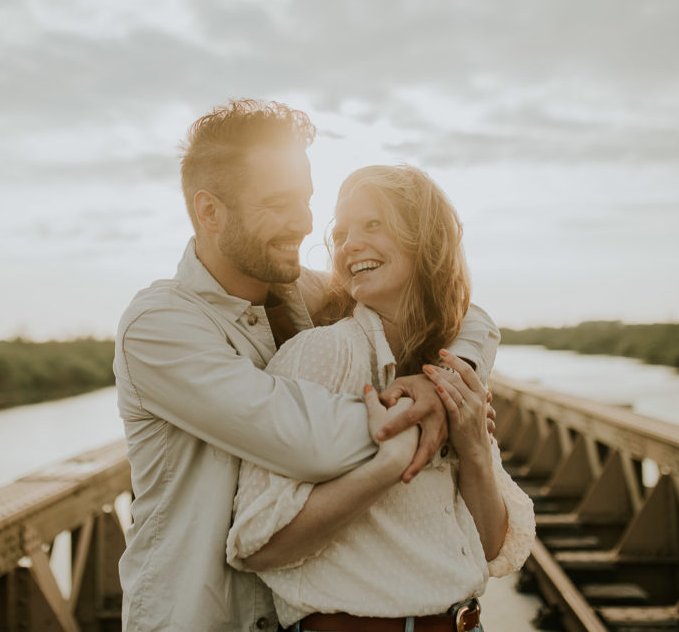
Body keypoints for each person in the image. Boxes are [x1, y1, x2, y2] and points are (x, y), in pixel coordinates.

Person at [114, 100, 500, 631]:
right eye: (278, 203)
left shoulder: (303, 293)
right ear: (209, 211)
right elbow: (304, 441)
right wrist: (426, 418)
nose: (303, 223)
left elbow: (461, 311)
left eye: (305, 200)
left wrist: (445, 384)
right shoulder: (160, 327)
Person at [226, 165, 536, 632]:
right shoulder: (320, 356)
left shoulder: (449, 369)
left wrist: (473, 449)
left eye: (373, 224)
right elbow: (258, 543)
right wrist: (386, 467)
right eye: (342, 232)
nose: (349, 244)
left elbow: (489, 547)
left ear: (426, 238)